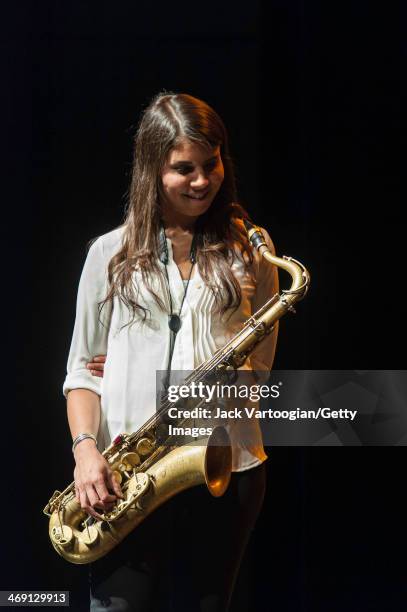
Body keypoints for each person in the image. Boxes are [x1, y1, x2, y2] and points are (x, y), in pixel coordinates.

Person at [63, 91, 279, 612]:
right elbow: (80, 370)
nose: (204, 181)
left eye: (212, 164)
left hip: (225, 470)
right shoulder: (108, 254)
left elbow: (261, 362)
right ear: (152, 170)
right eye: (185, 169)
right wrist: (86, 450)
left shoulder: (252, 250)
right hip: (126, 478)